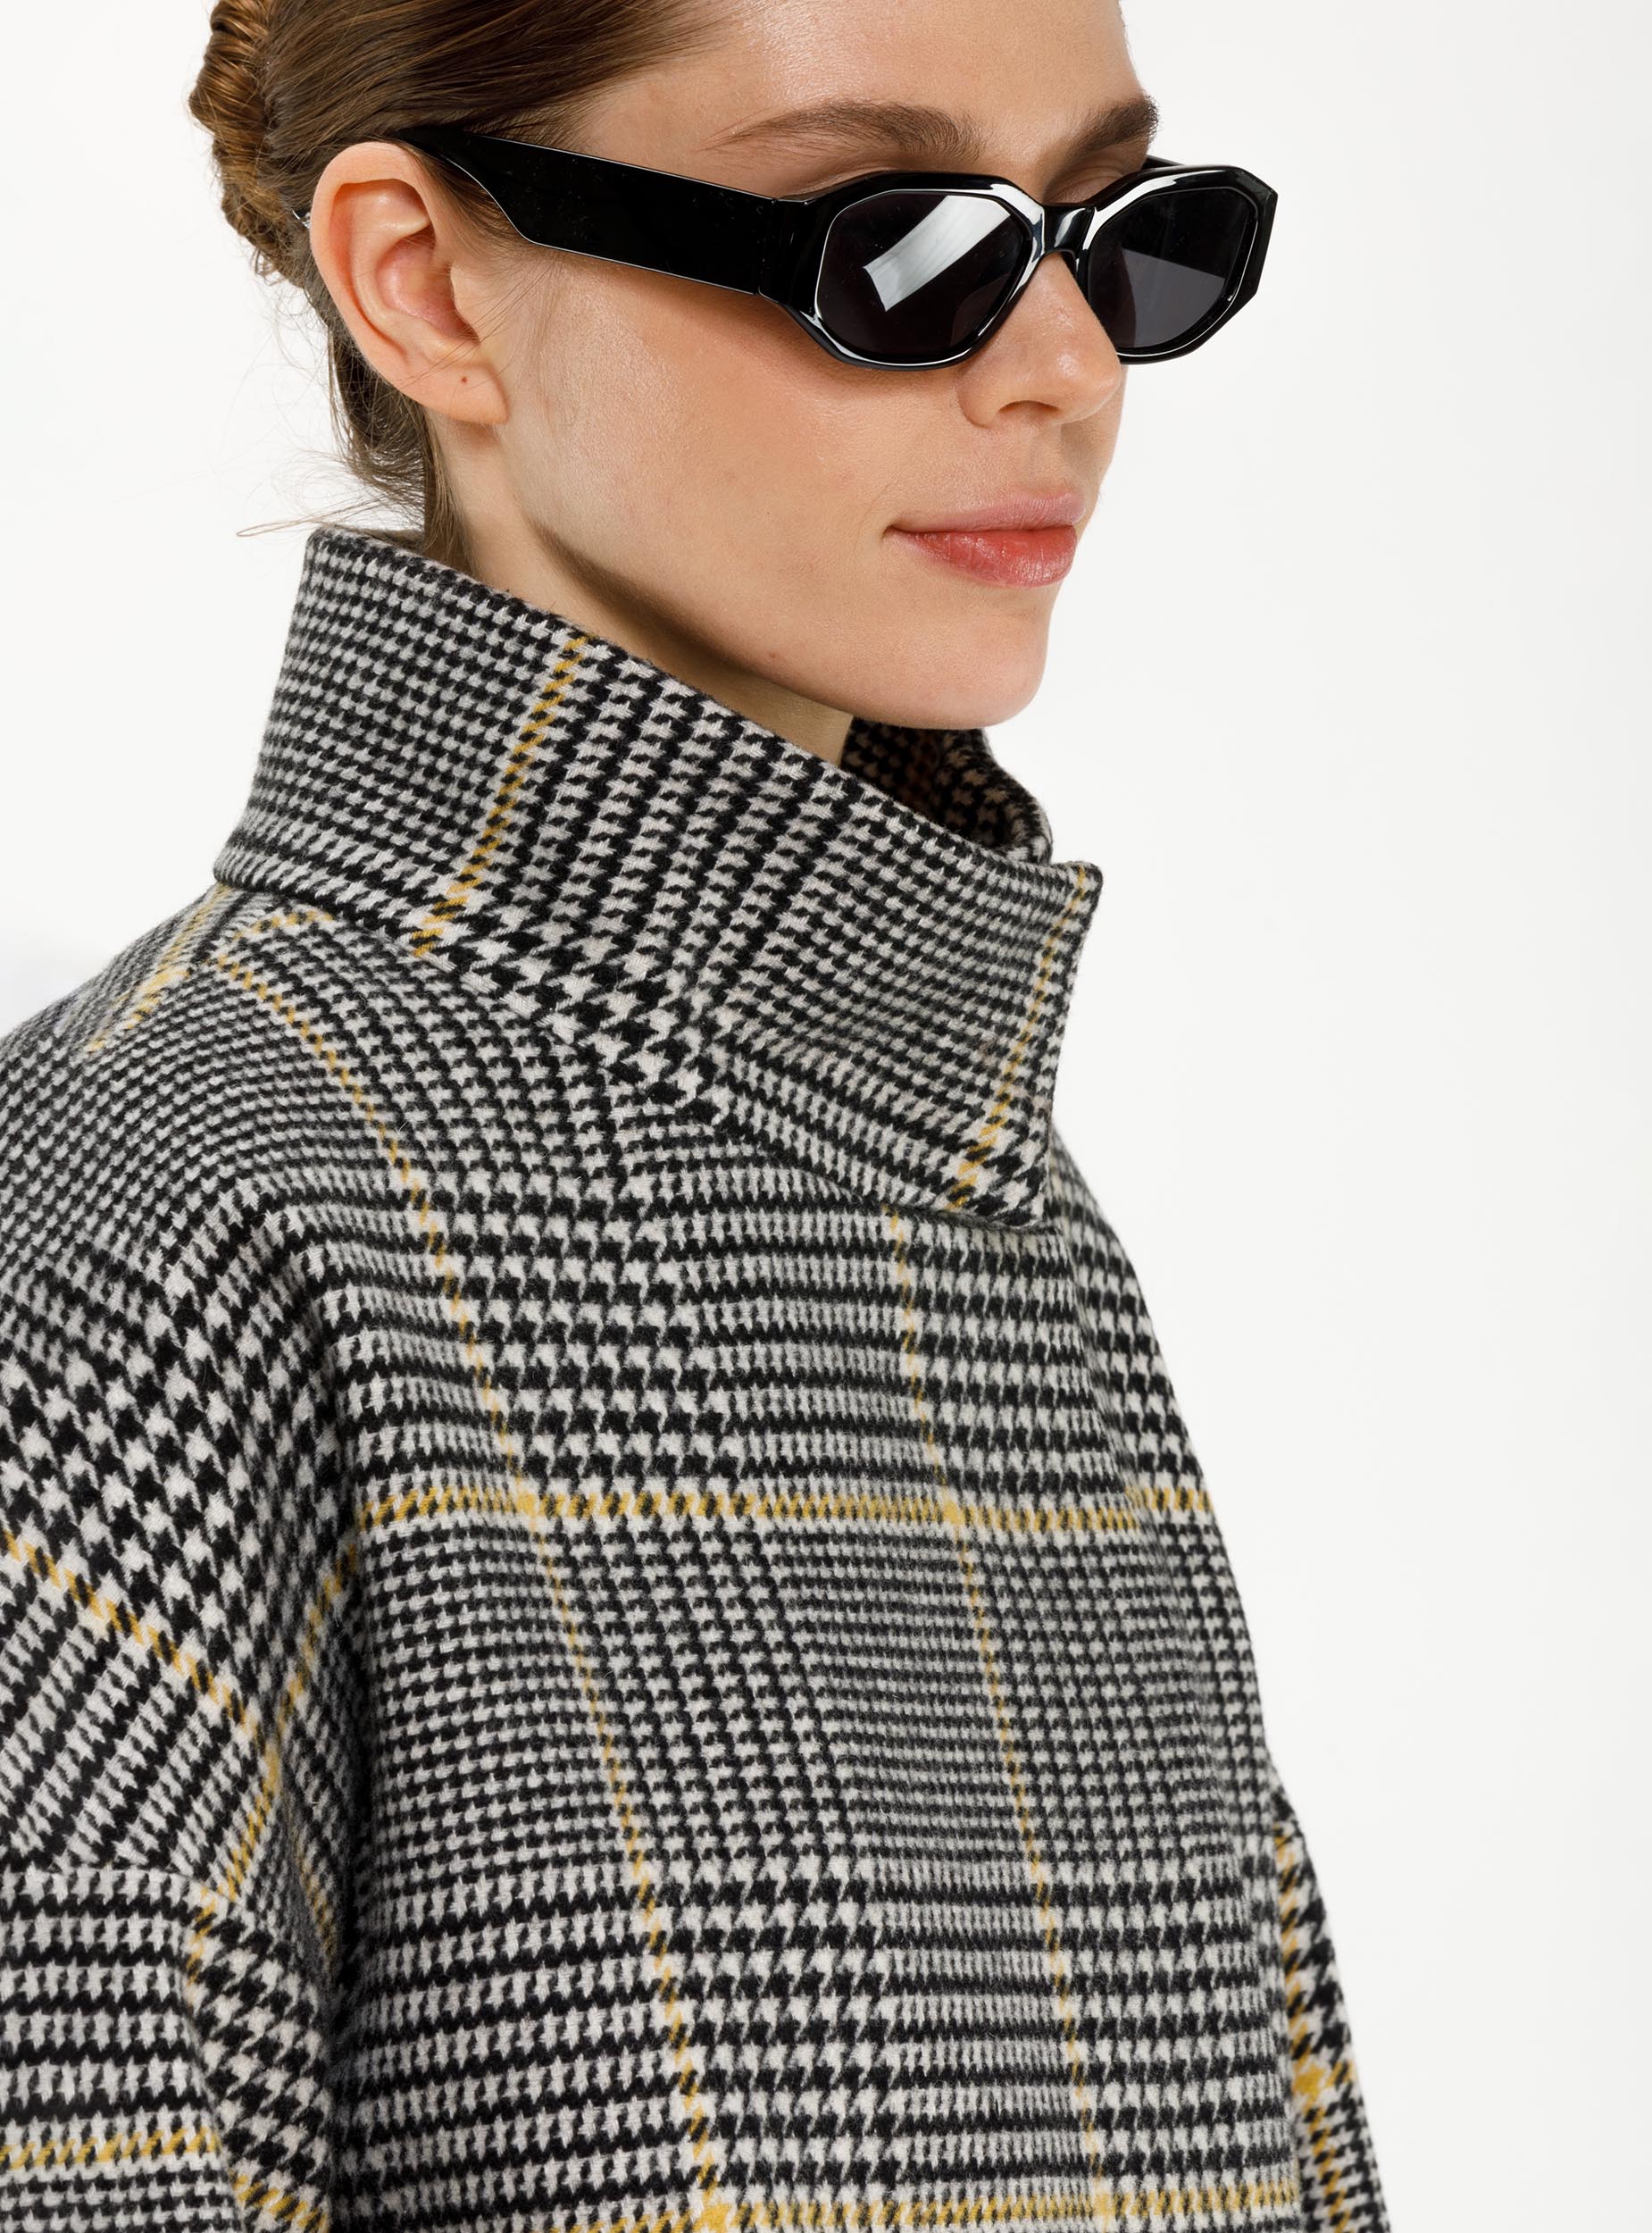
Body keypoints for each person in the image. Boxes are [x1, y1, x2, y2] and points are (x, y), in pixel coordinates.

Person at [0, 1, 1389, 2227]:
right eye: (898, 243)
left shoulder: (989, 1207)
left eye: (1129, 236)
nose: (1063, 368)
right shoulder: (156, 1211)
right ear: (429, 286)